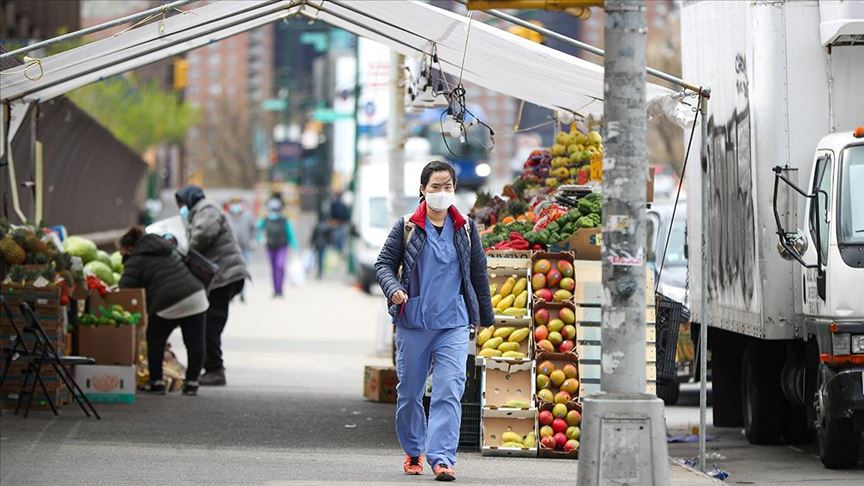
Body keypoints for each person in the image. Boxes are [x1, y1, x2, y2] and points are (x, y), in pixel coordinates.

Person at [374, 160, 494, 482]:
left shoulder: (466, 228)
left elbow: (478, 274)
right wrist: (394, 289)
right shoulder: (407, 226)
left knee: (449, 389)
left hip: (453, 323)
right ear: (423, 191)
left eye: (448, 187)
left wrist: (484, 316)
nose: (442, 193)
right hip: (414, 321)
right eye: (436, 187)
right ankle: (414, 449)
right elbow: (384, 264)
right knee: (410, 392)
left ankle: (442, 459)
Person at [117, 226, 208, 396]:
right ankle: (192, 383)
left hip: (168, 301)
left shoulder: (136, 258)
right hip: (196, 296)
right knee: (195, 342)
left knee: (155, 339)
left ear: (129, 248)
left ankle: (157, 382)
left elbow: (125, 288)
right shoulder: (165, 247)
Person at [175, 185, 250, 386]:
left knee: (211, 324)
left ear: (189, 199)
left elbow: (203, 235)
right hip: (222, 275)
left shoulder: (207, 209)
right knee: (208, 322)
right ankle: (211, 366)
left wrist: (183, 247)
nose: (181, 208)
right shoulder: (199, 212)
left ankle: (215, 370)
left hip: (225, 276)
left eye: (181, 203)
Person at [257, 198, 298, 297]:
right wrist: (260, 238)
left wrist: (294, 245)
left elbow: (290, 233)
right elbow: (257, 228)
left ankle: (280, 289)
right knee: (274, 268)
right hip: (270, 246)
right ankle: (275, 290)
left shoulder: (285, 220)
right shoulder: (265, 219)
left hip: (282, 246)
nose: (274, 212)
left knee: (280, 266)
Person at [226, 198, 255, 302]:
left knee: (243, 272)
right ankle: (232, 294)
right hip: (232, 250)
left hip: (246, 249)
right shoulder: (227, 217)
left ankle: (242, 293)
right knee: (232, 273)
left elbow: (254, 229)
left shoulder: (248, 217)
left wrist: (253, 240)